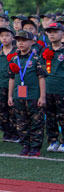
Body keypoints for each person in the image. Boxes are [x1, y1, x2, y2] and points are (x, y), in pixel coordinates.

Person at [8, 30, 47, 157]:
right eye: (18, 40)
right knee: (21, 122)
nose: (20, 43)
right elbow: (11, 78)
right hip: (18, 96)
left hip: (33, 95)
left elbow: (41, 78)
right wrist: (10, 96)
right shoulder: (14, 58)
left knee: (36, 122)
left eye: (24, 40)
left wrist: (42, 96)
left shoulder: (36, 59)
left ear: (31, 42)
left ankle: (35, 147)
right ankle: (25, 145)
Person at [0, 26, 18, 143]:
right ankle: (7, 132)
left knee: (14, 110)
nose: (4, 38)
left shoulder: (17, 52)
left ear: (13, 37)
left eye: (7, 35)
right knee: (1, 110)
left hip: (14, 85)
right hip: (0, 84)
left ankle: (15, 133)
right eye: (2, 36)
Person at [43, 23, 64, 153]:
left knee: (63, 116)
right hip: (47, 88)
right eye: (49, 32)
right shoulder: (44, 51)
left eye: (55, 31)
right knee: (50, 117)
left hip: (61, 89)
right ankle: (53, 140)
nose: (52, 34)